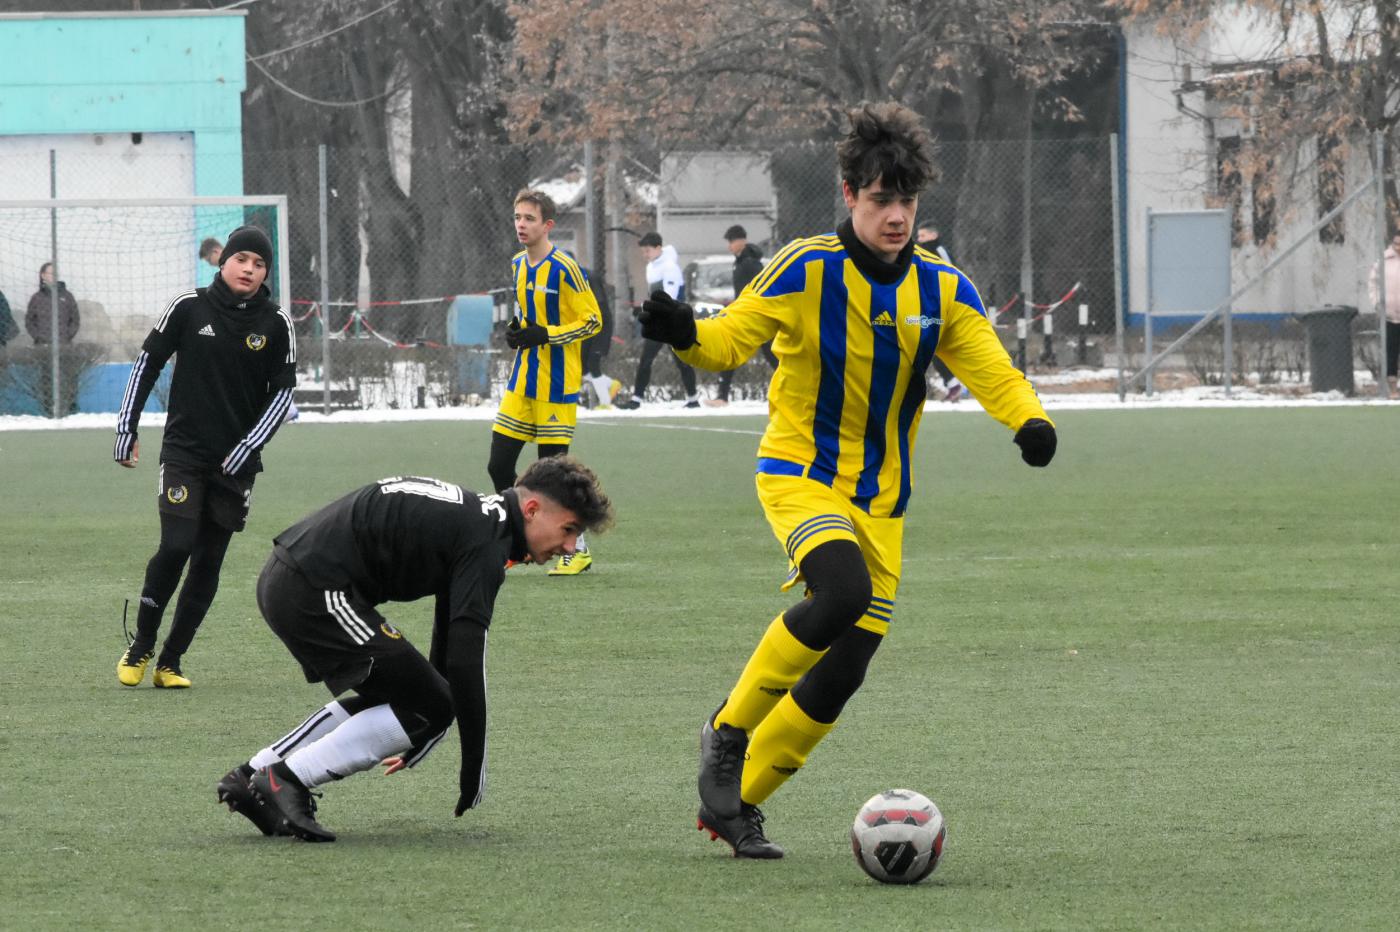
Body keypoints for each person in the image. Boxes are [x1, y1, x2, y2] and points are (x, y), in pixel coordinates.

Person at [636, 102, 1058, 859]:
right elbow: (730, 339)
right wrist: (686, 332)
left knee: (845, 669)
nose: (897, 216)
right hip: (800, 471)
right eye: (881, 199)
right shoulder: (806, 268)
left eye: (907, 200)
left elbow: (990, 365)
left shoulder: (942, 288)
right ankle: (727, 732)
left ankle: (737, 805)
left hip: (884, 500)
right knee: (841, 593)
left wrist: (1028, 420)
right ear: (849, 193)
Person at [215, 457, 614, 842]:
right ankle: (284, 779)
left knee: (413, 697)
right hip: (313, 588)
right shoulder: (487, 540)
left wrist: (425, 728)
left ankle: (251, 776)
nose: (569, 547)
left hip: (294, 577)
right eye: (568, 530)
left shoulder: (480, 520)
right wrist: (472, 766)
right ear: (532, 509)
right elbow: (465, 660)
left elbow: (447, 643)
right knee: (432, 704)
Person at [113, 225, 297, 688]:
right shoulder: (188, 307)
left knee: (208, 562)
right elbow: (147, 364)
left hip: (236, 466)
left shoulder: (276, 323)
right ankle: (141, 644)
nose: (249, 269)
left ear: (266, 274)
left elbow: (282, 396)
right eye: (242, 260)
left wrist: (248, 446)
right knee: (176, 546)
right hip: (184, 453)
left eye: (259, 264)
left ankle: (171, 662)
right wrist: (127, 428)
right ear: (224, 261)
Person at [490, 189, 602, 576]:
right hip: (522, 380)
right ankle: (518, 542)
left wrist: (547, 334)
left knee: (551, 475)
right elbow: (528, 314)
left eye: (529, 218)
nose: (521, 225)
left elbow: (593, 321)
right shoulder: (518, 265)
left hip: (556, 384)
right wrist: (518, 331)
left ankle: (577, 549)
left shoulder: (565, 268)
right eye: (517, 217)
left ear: (548, 225)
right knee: (498, 465)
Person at [616, 232, 699, 409]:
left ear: (658, 248)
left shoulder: (670, 267)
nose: (645, 254)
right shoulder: (651, 267)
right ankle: (636, 399)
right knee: (646, 359)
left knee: (682, 361)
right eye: (643, 251)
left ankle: (693, 399)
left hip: (673, 322)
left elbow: (670, 297)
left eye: (648, 250)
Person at [708, 224, 777, 407]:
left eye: (732, 241)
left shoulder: (751, 263)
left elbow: (761, 288)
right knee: (732, 351)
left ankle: (795, 390)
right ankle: (722, 396)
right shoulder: (738, 262)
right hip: (743, 316)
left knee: (772, 354)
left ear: (742, 241)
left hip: (755, 317)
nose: (729, 245)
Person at [916, 226, 965, 402]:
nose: (919, 239)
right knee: (930, 346)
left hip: (942, 306)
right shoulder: (918, 254)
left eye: (923, 235)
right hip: (927, 306)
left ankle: (957, 382)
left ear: (934, 235)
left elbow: (952, 275)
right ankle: (953, 383)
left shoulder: (940, 251)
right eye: (918, 236)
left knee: (934, 344)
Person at [581, 266, 620, 409]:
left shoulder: (588, 277)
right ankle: (610, 384)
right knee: (582, 365)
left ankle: (605, 403)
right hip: (587, 324)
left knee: (593, 362)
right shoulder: (567, 279)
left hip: (601, 323)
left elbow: (599, 305)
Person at [1368, 227, 1400, 395]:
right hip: (1389, 316)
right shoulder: (1383, 261)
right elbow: (1373, 284)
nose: (1398, 247)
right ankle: (1393, 389)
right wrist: (1377, 304)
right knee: (1391, 352)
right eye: (1396, 244)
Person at [25, 262, 81, 344]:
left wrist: (67, 335)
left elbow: (75, 319)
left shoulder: (67, 296)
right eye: (51, 273)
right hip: (42, 346)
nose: (54, 276)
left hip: (64, 344)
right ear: (43, 275)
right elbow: (29, 321)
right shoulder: (36, 298)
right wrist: (38, 337)